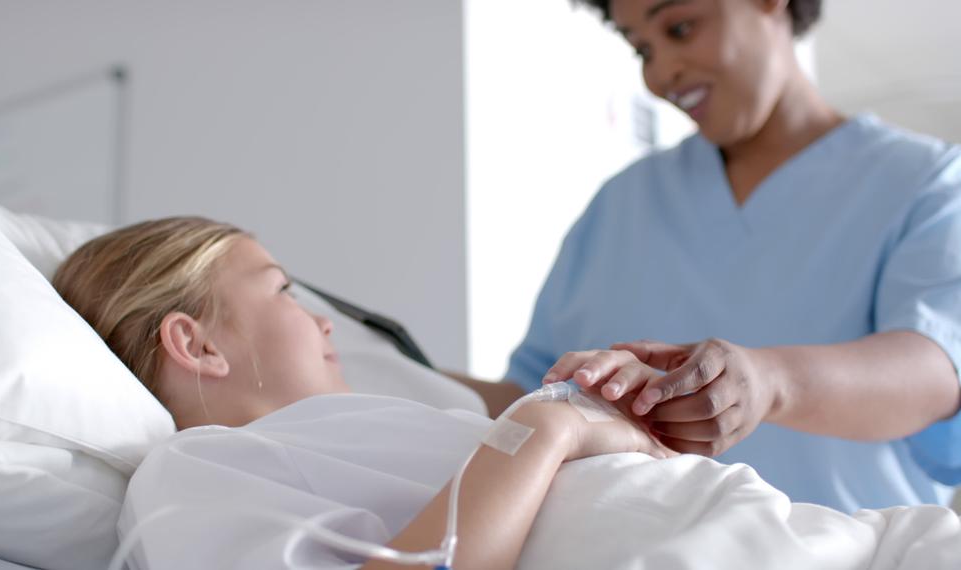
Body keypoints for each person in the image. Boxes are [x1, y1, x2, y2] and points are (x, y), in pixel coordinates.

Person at [458, 0, 961, 514]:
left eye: (680, 27)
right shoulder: (624, 202)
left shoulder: (928, 182)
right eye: (643, 48)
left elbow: (938, 371)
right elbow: (534, 395)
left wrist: (769, 382)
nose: (661, 73)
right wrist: (387, 372)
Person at [52, 217, 673, 569]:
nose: (324, 323)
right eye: (282, 292)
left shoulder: (348, 436)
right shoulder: (186, 473)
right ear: (198, 345)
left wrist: (636, 428)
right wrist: (549, 429)